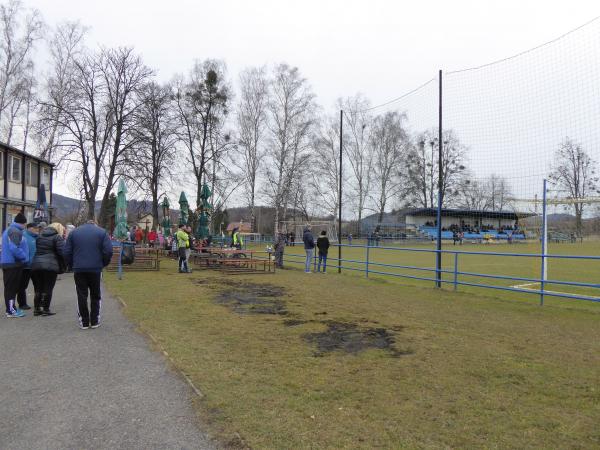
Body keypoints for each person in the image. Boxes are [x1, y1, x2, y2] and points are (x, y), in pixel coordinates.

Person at [63, 220, 113, 329]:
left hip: (79, 269)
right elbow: (108, 251)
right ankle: (95, 321)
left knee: (81, 295)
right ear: (95, 224)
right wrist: (103, 263)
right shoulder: (102, 232)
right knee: (96, 295)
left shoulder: (74, 233)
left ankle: (84, 321)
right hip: (95, 268)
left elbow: (66, 252)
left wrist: (72, 265)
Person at [31, 222, 66, 317]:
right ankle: (46, 309)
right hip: (50, 265)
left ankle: (37, 309)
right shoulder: (57, 238)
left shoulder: (39, 236)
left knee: (38, 288)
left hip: (36, 264)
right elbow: (62, 252)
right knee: (48, 288)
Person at [2, 213, 30, 318]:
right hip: (13, 264)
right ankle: (11, 310)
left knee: (10, 288)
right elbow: (14, 248)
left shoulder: (10, 229)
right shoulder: (15, 231)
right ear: (23, 223)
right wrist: (23, 257)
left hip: (10, 264)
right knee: (11, 289)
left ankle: (11, 309)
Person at [17, 223, 40, 311]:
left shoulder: (38, 237)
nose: (37, 229)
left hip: (36, 266)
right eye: (35, 228)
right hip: (25, 267)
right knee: (22, 286)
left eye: (38, 228)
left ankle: (38, 302)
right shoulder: (23, 236)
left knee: (38, 285)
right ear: (29, 228)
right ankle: (22, 303)